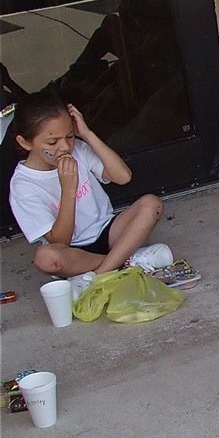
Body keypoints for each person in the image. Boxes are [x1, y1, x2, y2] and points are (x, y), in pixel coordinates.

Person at [8, 90, 172, 296]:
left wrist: (86, 134)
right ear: (25, 143)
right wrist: (69, 190)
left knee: (151, 204)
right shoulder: (23, 185)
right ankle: (128, 260)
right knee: (45, 257)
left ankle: (98, 276)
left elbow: (123, 177)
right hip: (75, 252)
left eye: (69, 136)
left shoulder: (79, 149)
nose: (65, 147)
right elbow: (60, 242)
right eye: (52, 142)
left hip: (107, 231)